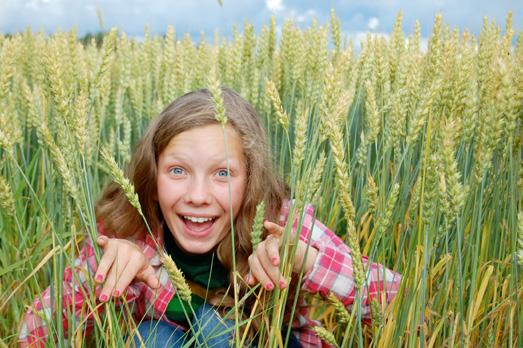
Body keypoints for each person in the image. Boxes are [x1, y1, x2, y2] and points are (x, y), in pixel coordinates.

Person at [19, 87, 402, 347]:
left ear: (251, 178)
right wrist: (96, 279)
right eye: (178, 171)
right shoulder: (131, 230)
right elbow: (31, 333)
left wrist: (307, 260)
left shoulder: (280, 222)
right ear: (152, 177)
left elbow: (400, 306)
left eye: (222, 173)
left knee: (216, 328)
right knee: (153, 338)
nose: (198, 196)